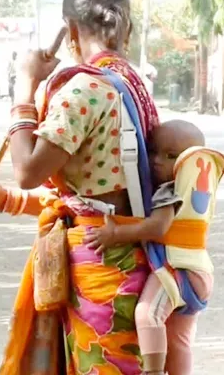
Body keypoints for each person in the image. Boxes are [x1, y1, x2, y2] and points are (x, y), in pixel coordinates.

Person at [0, 0, 159, 373]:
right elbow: (88, 198)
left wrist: (24, 87)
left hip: (100, 271)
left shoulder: (84, 90)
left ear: (70, 31)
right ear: (129, 29)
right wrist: (1, 199)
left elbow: (28, 171)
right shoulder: (135, 86)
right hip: (136, 261)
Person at [84, 120, 224, 375]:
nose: (157, 161)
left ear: (191, 162)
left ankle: (154, 372)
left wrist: (116, 234)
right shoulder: (199, 193)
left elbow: (157, 228)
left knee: (148, 315)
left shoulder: (169, 191)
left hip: (177, 271)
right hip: (200, 274)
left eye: (171, 156)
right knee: (178, 341)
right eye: (152, 151)